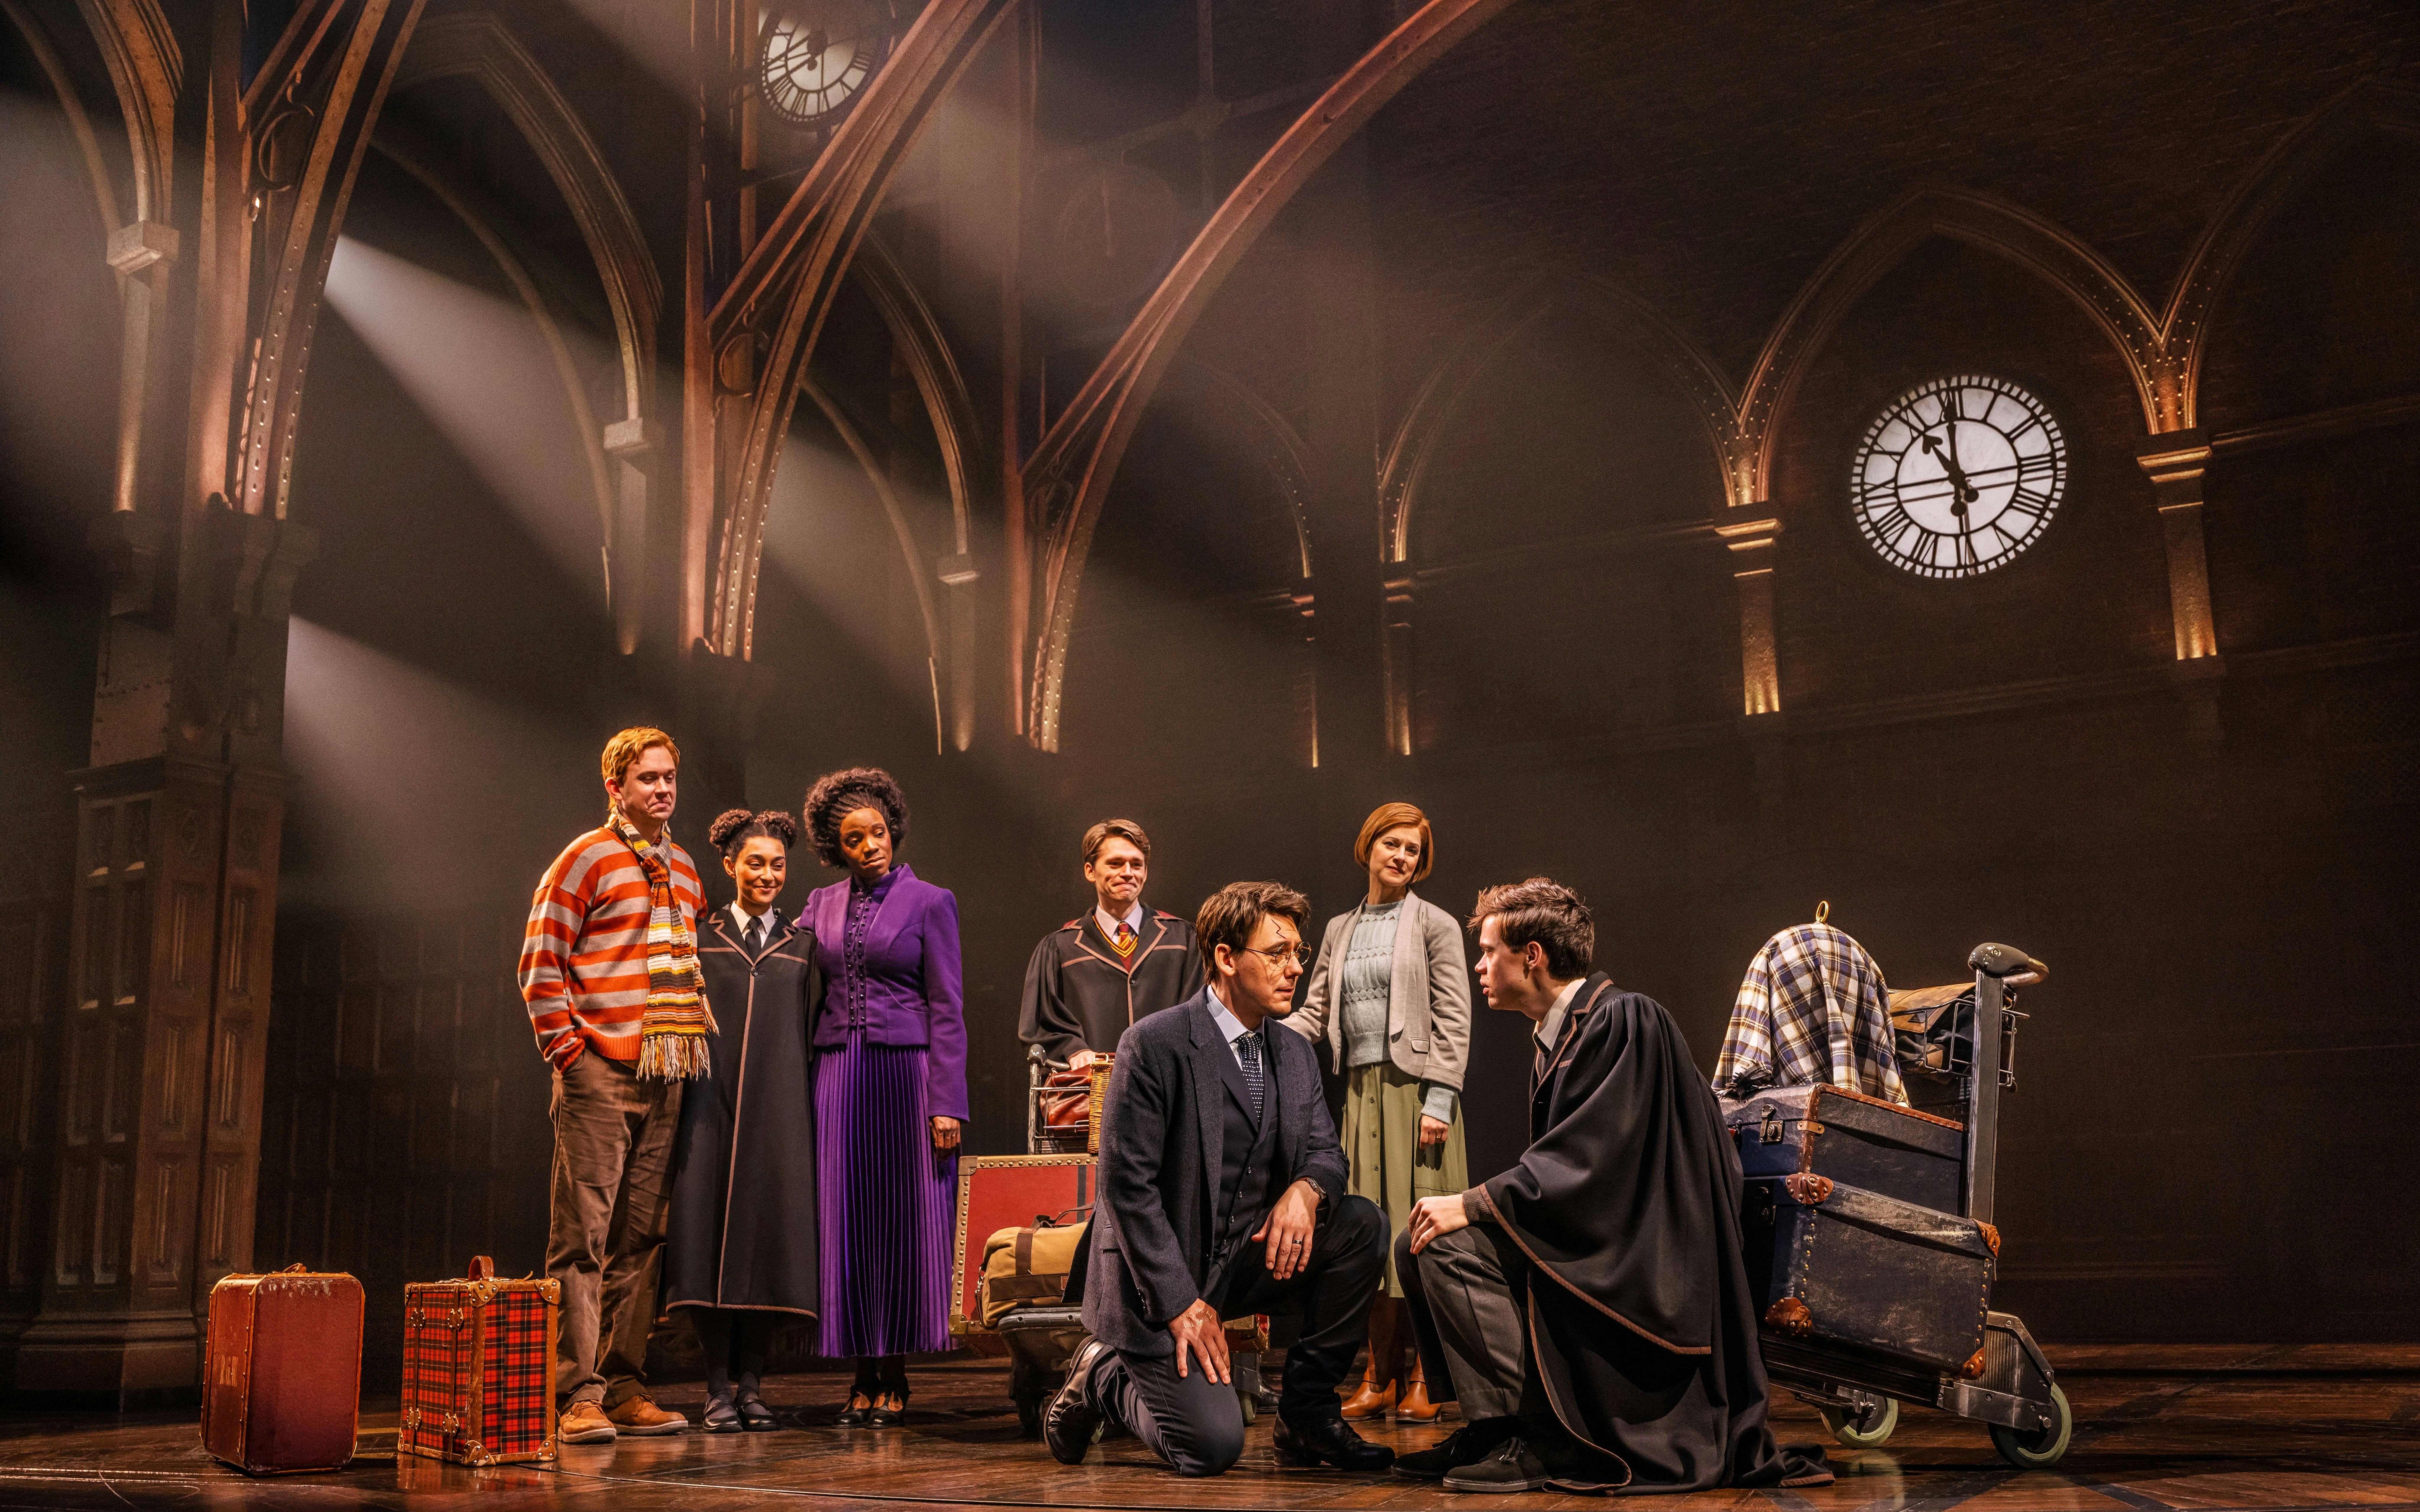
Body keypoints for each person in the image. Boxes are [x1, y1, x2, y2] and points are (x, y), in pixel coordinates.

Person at [1392, 879, 1833, 1494]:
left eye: (1490, 950)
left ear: (1533, 955)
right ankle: (1494, 1427)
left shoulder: (1625, 1018)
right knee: (1415, 1238)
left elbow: (1593, 1161)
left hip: (1647, 1267)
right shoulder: (1561, 1034)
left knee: (1447, 1238)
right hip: (1603, 1241)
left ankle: (1544, 1438)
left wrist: (1471, 1203)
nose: (1480, 965)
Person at [1045, 881, 1394, 1478]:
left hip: (1240, 1263)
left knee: (1361, 1223)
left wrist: (1304, 1192)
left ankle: (1307, 1413)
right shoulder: (1154, 1044)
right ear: (1228, 958)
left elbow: (1326, 1154)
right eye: (1277, 953)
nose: (1294, 969)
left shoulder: (1292, 1051)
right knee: (1209, 1448)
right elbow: (1127, 1189)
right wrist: (1181, 1304)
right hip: (1158, 1281)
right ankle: (1102, 1377)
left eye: (1298, 954)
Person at [520, 727, 714, 1445]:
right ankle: (578, 1392)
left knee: (642, 1236)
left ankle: (626, 1381)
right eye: (648, 779)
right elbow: (541, 962)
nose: (663, 789)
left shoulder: (688, 870)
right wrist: (570, 1052)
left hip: (666, 1070)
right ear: (616, 787)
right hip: (600, 1068)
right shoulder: (586, 858)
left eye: (669, 778)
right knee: (583, 1237)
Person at [1283, 801, 1471, 1423]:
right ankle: (1379, 1370)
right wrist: (1255, 1035)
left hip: (1420, 1098)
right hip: (1360, 1096)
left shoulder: (1436, 925)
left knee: (1422, 1237)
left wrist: (1440, 1099)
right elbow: (1313, 1012)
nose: (1401, 856)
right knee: (1368, 1235)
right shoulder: (1340, 927)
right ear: (1367, 847)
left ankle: (1426, 1373)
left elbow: (1454, 1018)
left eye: (1413, 849)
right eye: (1392, 843)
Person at [799, 768, 967, 1427]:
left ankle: (893, 1371)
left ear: (892, 829)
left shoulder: (932, 901)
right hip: (840, 1074)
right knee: (847, 1220)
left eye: (876, 832)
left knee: (902, 1222)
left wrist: (946, 1100)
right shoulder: (819, 904)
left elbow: (947, 1007)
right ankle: (858, 1374)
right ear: (835, 847)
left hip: (907, 1078)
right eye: (853, 838)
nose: (870, 845)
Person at [663, 809, 821, 1433]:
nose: (767, 874)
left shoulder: (802, 945)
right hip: (711, 1104)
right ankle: (714, 1388)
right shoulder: (700, 939)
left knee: (767, 1242)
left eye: (777, 864)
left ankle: (753, 1385)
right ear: (730, 866)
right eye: (754, 862)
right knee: (704, 1238)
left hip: (780, 1112)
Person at [1019, 818, 1201, 1071]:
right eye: (1115, 864)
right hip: (1090, 1094)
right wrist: (1075, 1050)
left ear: (1146, 873)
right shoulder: (1060, 949)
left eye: (1137, 865)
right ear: (1090, 871)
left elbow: (1201, 1013)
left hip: (1167, 1091)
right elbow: (1041, 1022)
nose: (1128, 872)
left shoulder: (1183, 940)